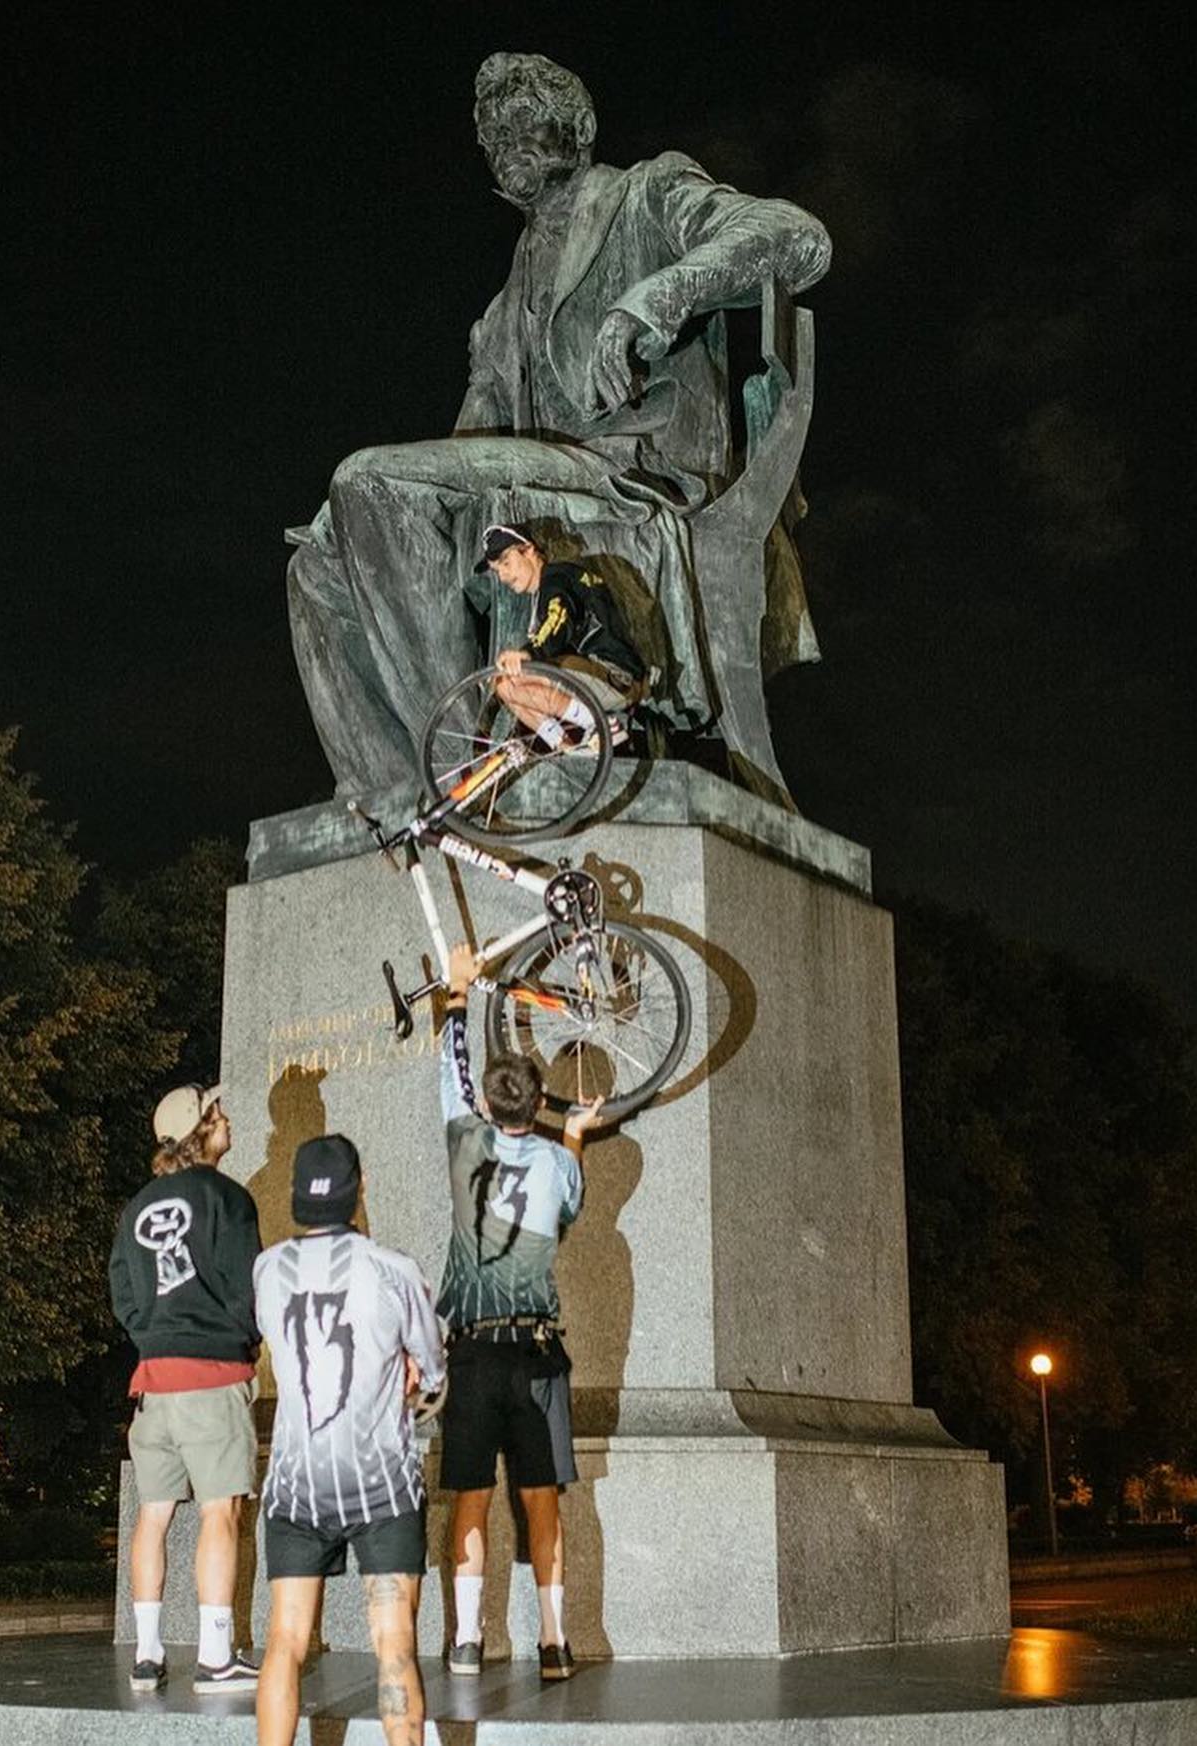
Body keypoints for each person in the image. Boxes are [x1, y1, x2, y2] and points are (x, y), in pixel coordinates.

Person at [286, 51, 831, 797]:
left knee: (365, 478)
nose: (501, 141)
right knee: (318, 562)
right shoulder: (502, 307)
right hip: (532, 476)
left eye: (517, 119)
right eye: (488, 132)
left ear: (575, 128)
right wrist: (356, 520)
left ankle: (465, 768)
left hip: (632, 475)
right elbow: (462, 449)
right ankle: (400, 791)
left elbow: (798, 237)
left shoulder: (643, 194)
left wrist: (660, 296)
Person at [437, 943, 604, 1680]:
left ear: (485, 1105)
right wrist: (574, 1130)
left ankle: (468, 1640)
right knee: (542, 1501)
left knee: (469, 1497)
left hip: (471, 1354)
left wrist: (456, 992)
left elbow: (452, 1066)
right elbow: (569, 1202)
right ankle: (552, 1639)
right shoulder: (555, 1162)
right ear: (534, 1106)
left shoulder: (462, 1140)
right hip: (535, 1355)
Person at [254, 1134, 446, 1746]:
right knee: (394, 1647)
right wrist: (412, 1377)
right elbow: (433, 1368)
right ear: (360, 1190)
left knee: (284, 1640)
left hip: (295, 1486)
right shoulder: (394, 1271)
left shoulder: (267, 1270)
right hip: (380, 1484)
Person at [108, 1082, 262, 1694]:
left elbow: (123, 1292)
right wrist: (238, 1337)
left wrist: (153, 1333)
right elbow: (249, 1287)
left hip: (153, 1381)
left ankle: (147, 1655)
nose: (226, 1118)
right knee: (219, 1511)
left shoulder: (136, 1207)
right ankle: (216, 1656)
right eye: (217, 1113)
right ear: (201, 1131)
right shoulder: (228, 1197)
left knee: (153, 1515)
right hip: (210, 1374)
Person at [477, 522, 646, 750]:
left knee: (513, 680)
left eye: (506, 563)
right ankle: (567, 748)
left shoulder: (556, 579)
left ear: (529, 550)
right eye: (497, 570)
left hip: (616, 675)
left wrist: (527, 653)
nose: (504, 576)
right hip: (600, 675)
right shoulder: (547, 587)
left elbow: (558, 622)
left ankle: (602, 726)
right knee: (505, 685)